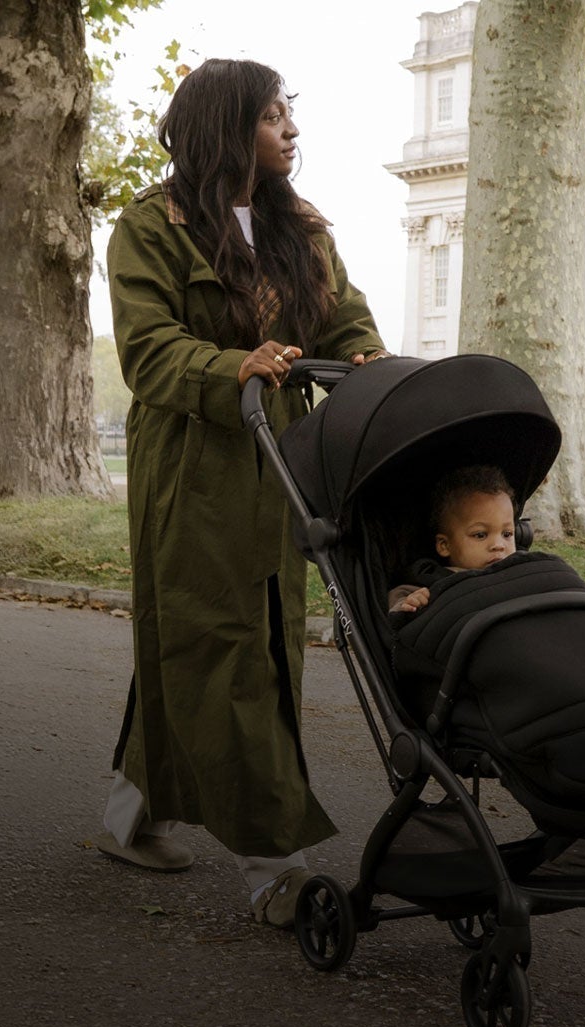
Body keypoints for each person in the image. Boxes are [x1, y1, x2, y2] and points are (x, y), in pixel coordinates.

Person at [97, 58, 387, 928]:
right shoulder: (149, 230)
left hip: (284, 461)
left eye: (289, 113)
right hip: (193, 462)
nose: (290, 129)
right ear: (225, 127)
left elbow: (345, 316)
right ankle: (277, 868)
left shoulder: (298, 227)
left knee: (217, 640)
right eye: (270, 115)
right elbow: (148, 352)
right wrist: (238, 365)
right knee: (223, 643)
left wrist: (366, 357)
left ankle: (128, 813)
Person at [388, 465, 518, 614]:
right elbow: (394, 616)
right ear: (445, 546)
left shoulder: (522, 572)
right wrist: (409, 604)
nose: (498, 545)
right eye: (480, 535)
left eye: (507, 534)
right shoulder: (428, 585)